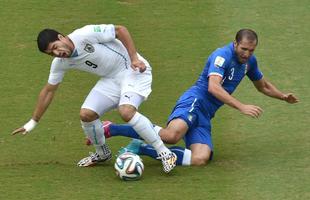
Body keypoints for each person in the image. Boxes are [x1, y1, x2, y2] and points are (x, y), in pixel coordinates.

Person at [100, 29, 299, 166]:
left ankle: (142, 148)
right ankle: (112, 128)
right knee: (171, 136)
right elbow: (213, 87)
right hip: (195, 101)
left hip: (206, 114)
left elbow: (262, 86)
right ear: (235, 43)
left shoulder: (249, 62)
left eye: (251, 50)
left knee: (200, 159)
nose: (247, 54)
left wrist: (283, 96)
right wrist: (241, 106)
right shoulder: (222, 56)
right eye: (243, 49)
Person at [12, 24, 177, 173]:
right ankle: (102, 153)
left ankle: (165, 153)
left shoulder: (85, 34)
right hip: (111, 79)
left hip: (133, 70)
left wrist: (134, 58)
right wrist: (33, 122)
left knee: (126, 111)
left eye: (55, 47)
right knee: (86, 114)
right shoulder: (60, 62)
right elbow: (49, 91)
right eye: (51, 53)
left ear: (61, 37)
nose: (57, 53)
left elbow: (121, 30)